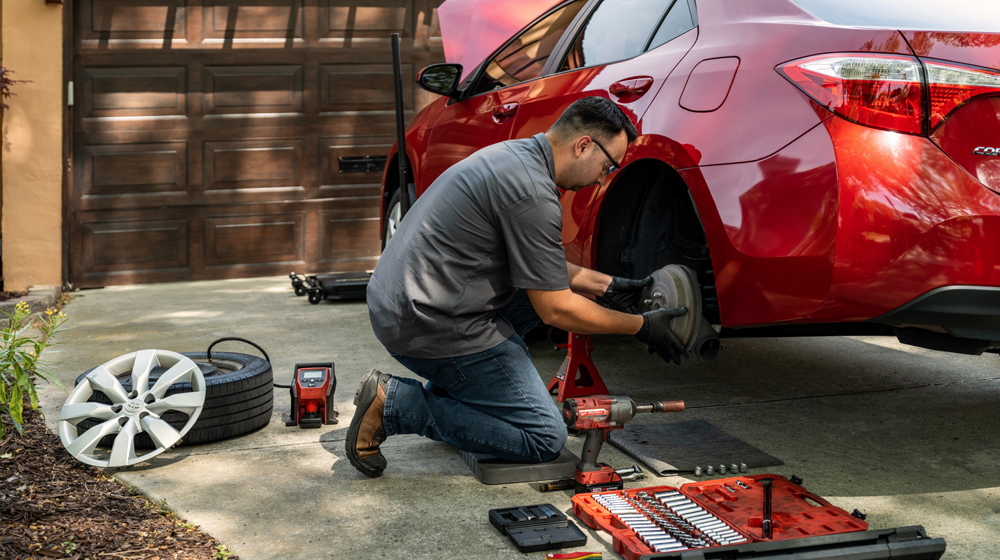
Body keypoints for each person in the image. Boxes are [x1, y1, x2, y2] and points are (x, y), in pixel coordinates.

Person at [347, 96, 687, 478]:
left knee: (535, 291)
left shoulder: (517, 156)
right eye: (607, 165)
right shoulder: (533, 194)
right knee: (542, 436)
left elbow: (539, 265)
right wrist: (642, 326)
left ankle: (456, 391)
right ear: (583, 145)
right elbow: (556, 309)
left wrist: (609, 286)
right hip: (426, 322)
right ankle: (394, 404)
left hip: (406, 302)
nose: (602, 178)